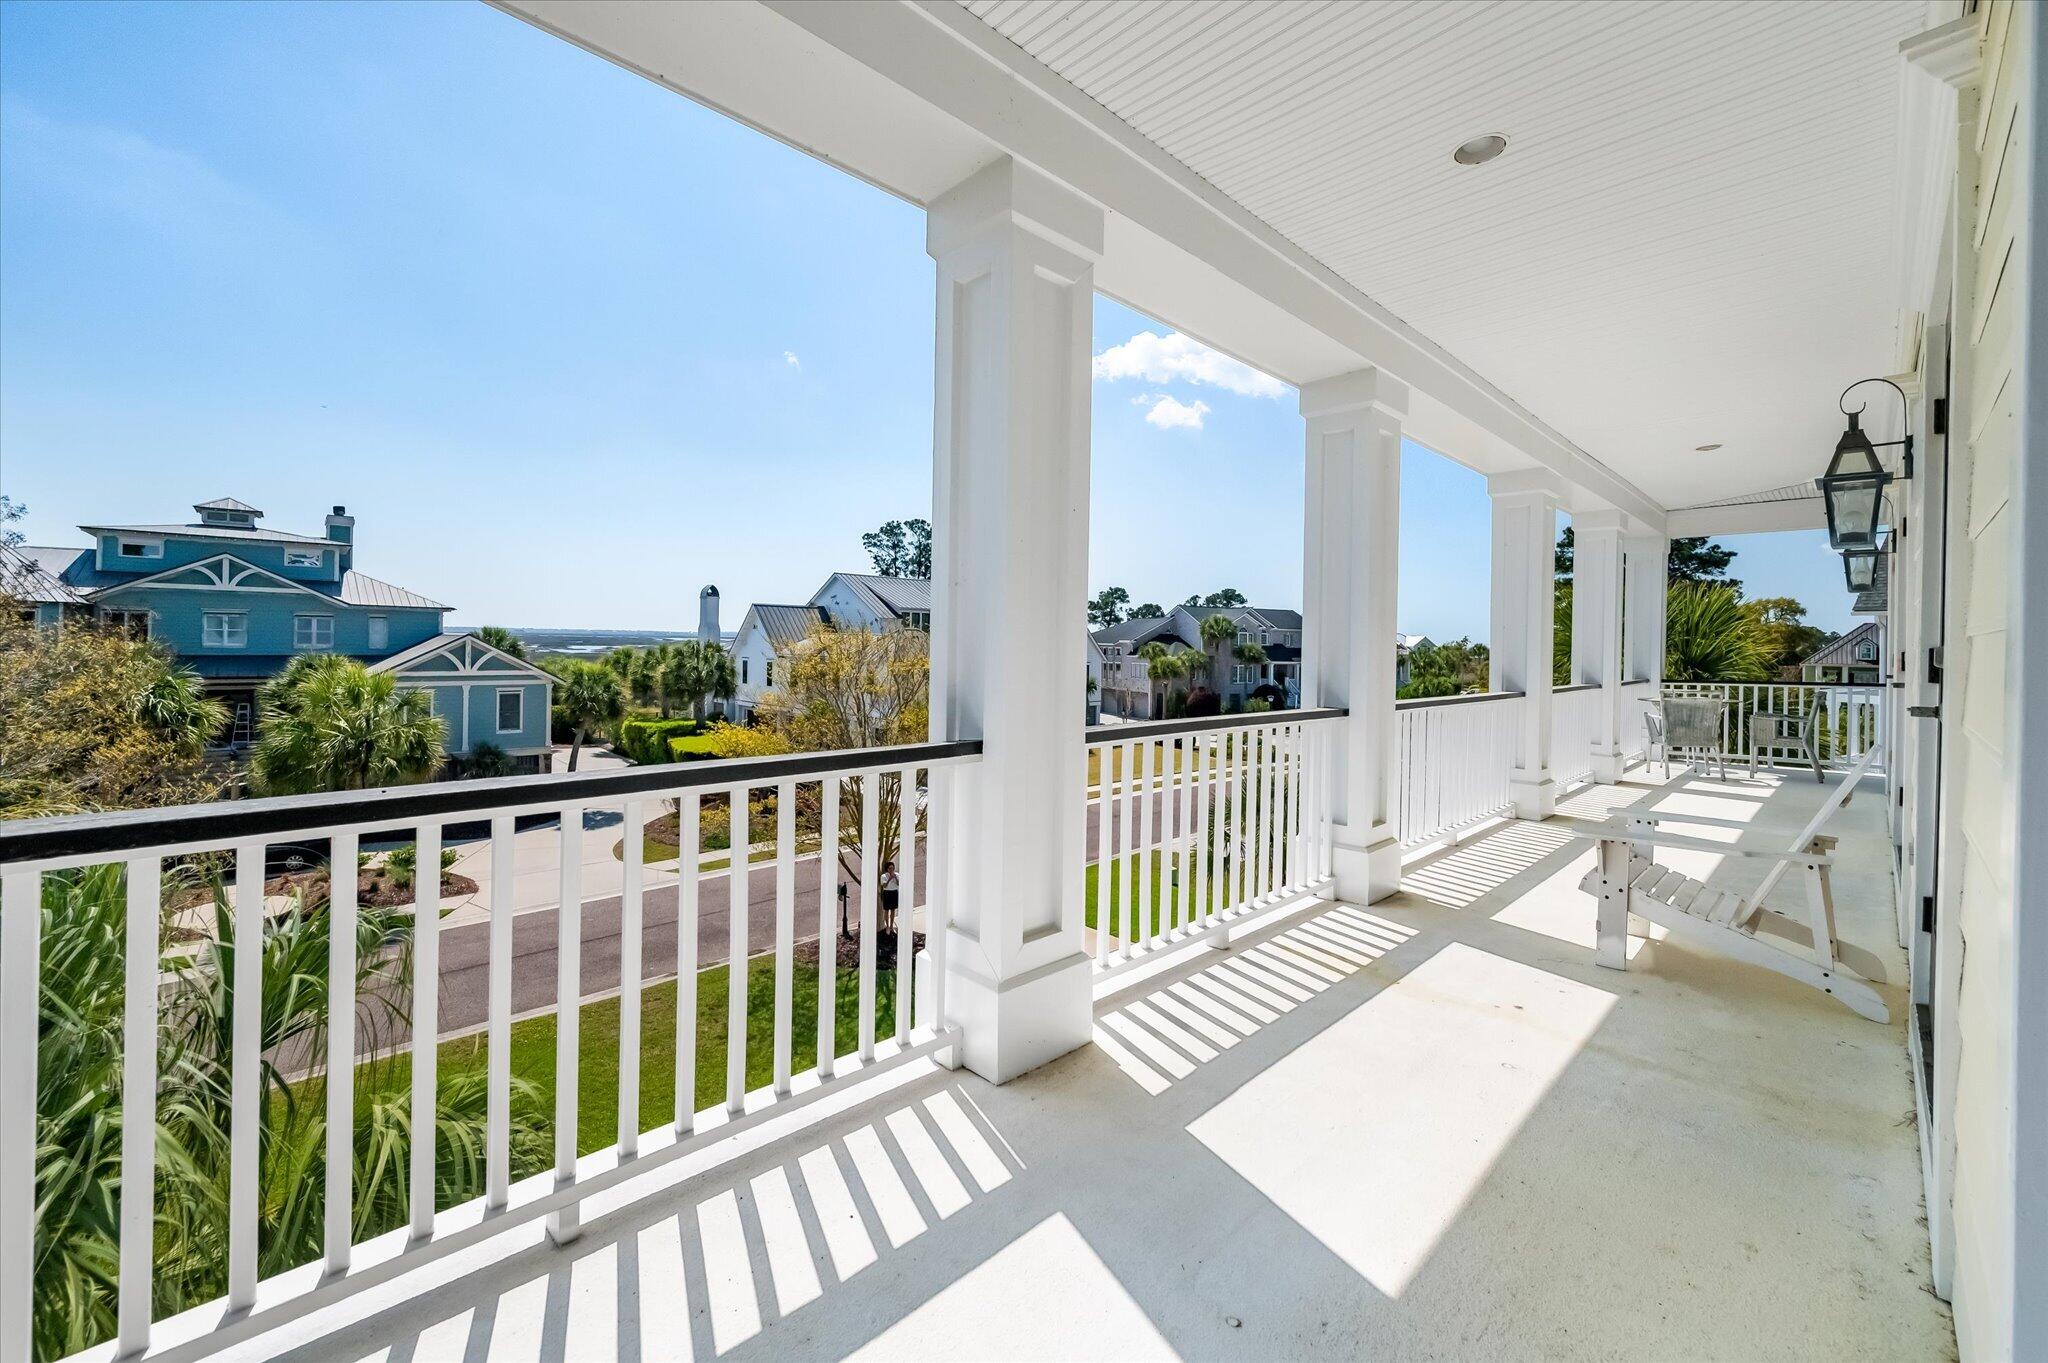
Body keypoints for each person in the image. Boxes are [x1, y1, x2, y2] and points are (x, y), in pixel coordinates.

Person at [879, 859, 900, 933]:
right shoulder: (883, 876)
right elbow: (884, 886)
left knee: (893, 910)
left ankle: (891, 926)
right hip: (887, 893)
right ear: (887, 869)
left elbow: (898, 884)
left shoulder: (897, 875)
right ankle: (887, 926)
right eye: (890, 868)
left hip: (894, 893)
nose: (892, 869)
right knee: (886, 911)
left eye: (893, 868)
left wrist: (895, 878)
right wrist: (889, 879)